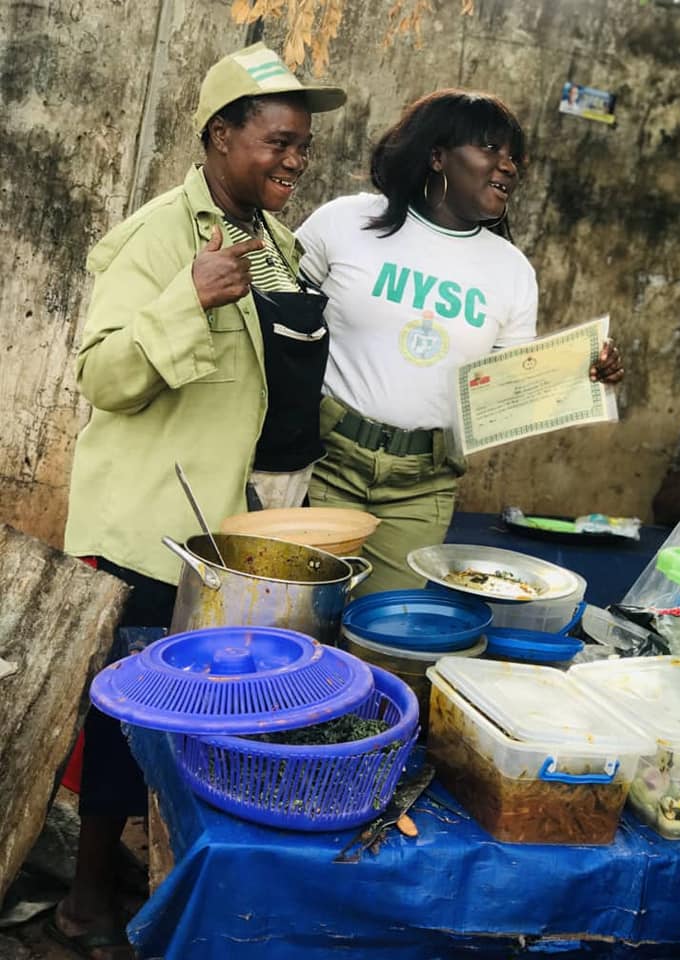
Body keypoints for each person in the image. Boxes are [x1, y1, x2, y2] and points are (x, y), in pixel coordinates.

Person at [51, 42, 345, 959]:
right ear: (220, 136)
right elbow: (101, 375)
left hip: (240, 528)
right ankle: (85, 898)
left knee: (214, 706)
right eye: (277, 142)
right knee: (124, 715)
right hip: (154, 527)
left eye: (302, 147)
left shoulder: (276, 244)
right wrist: (186, 298)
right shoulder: (158, 238)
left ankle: (167, 867)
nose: (294, 161)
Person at [296, 89, 623, 596]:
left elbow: (503, 395)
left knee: (385, 633)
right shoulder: (346, 223)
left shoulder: (511, 270)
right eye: (491, 149)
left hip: (421, 485)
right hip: (324, 460)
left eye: (514, 157)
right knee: (299, 615)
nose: (508, 167)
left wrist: (580, 374)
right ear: (437, 155)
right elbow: (281, 326)